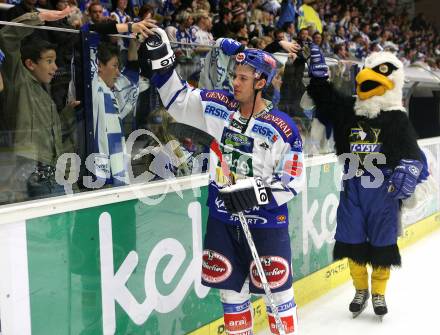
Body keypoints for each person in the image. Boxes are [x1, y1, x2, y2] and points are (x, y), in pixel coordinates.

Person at [140, 30, 304, 334]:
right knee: (231, 295)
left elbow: (293, 180)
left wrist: (256, 194)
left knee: (279, 295)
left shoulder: (283, 128)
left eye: (243, 78)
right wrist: (163, 66)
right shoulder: (218, 105)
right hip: (222, 219)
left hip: (266, 223)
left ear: (261, 83)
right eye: (234, 75)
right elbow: (177, 101)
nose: (235, 83)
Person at [306, 45, 428, 318]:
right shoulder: (350, 110)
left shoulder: (396, 119)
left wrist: (412, 169)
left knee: (383, 246)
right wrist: (319, 80)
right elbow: (327, 102)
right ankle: (360, 289)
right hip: (352, 190)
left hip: (384, 195)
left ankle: (379, 292)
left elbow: (414, 154)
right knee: (351, 241)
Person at [0, 8, 80, 201]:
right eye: (49, 61)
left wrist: (68, 113)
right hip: (28, 171)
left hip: (50, 172)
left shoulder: (44, 95)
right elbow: (6, 38)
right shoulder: (17, 79)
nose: (55, 67)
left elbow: (49, 137)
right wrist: (38, 18)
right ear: (30, 64)